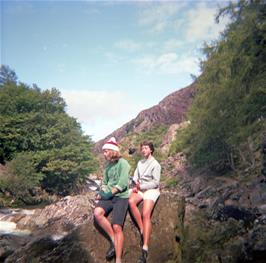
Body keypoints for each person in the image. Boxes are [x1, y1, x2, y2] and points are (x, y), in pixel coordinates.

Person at [94, 137, 130, 263]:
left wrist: (107, 194)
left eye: (106, 151)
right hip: (109, 195)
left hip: (121, 196)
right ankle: (114, 239)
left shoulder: (123, 163)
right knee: (97, 213)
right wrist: (102, 193)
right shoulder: (108, 166)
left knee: (117, 226)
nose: (104, 154)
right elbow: (104, 182)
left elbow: (122, 184)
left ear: (112, 151)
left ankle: (118, 259)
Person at [128, 141, 161, 263]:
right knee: (131, 202)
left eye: (146, 148)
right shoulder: (139, 163)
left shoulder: (156, 164)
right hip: (140, 189)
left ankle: (145, 247)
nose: (143, 150)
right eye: (142, 148)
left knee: (146, 214)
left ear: (151, 150)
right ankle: (142, 229)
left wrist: (141, 186)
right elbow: (135, 176)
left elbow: (156, 182)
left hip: (151, 190)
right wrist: (136, 183)